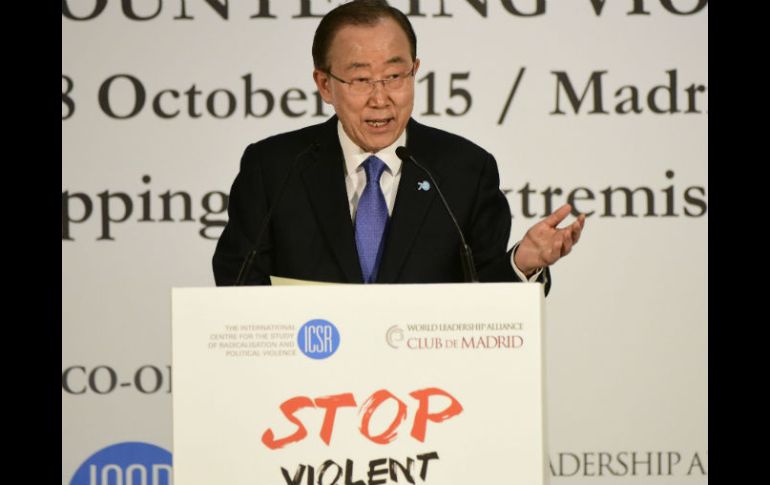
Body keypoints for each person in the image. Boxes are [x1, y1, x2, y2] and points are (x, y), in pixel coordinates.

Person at [213, 0, 585, 290]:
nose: (380, 98)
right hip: (308, 378)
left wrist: (523, 262)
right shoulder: (274, 168)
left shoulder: (464, 169)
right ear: (325, 84)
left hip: (429, 384)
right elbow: (237, 281)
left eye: (394, 76)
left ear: (415, 70)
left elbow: (484, 295)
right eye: (361, 79)